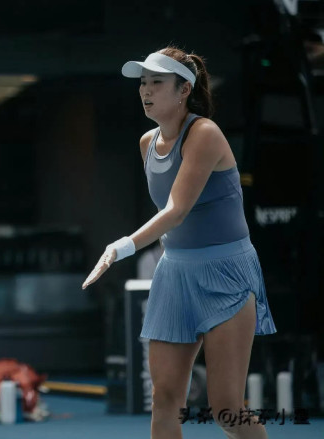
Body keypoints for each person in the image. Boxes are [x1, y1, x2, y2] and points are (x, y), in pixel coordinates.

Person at [81, 47, 276, 439]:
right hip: (174, 274)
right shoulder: (146, 143)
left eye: (157, 82)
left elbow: (176, 210)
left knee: (226, 410)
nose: (146, 90)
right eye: (143, 83)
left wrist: (120, 247)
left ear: (184, 90)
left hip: (227, 273)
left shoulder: (205, 133)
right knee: (165, 399)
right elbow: (168, 218)